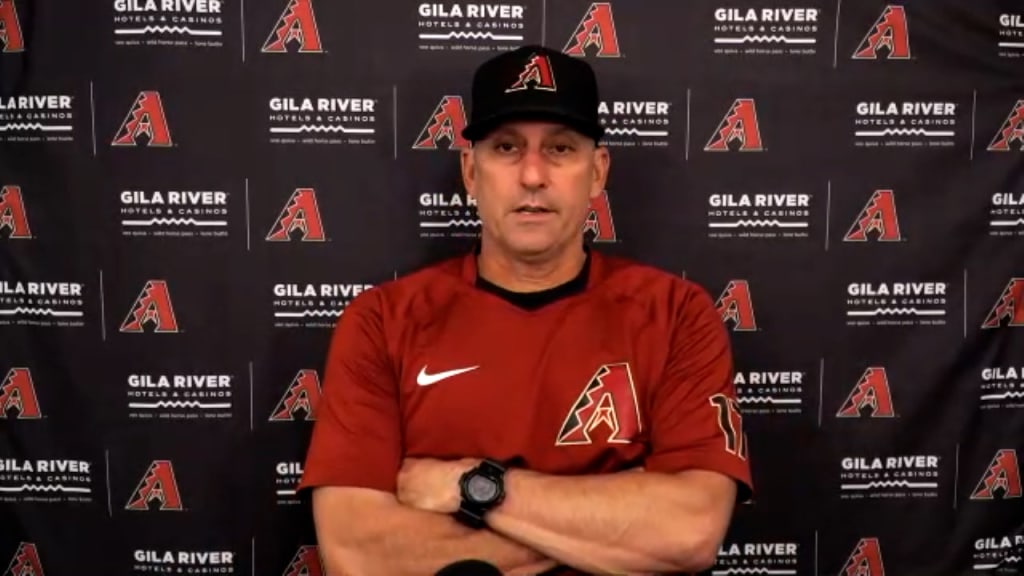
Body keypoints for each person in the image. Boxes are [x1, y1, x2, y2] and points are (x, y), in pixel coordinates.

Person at [297, 44, 754, 576]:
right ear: (471, 172)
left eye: (560, 149)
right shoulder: (381, 321)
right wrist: (606, 527)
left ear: (598, 171)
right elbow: (357, 553)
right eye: (507, 148)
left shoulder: (677, 314)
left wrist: (470, 486)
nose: (533, 175)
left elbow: (689, 531)